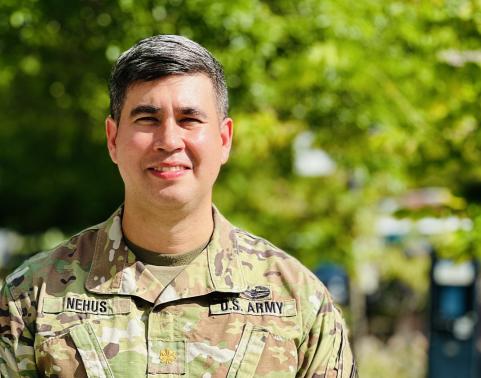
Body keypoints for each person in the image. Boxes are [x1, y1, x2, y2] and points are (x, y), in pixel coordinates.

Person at [0, 35, 357, 377]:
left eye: (189, 119)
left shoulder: (299, 301)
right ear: (112, 139)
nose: (169, 140)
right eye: (147, 119)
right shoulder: (32, 297)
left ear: (223, 139)